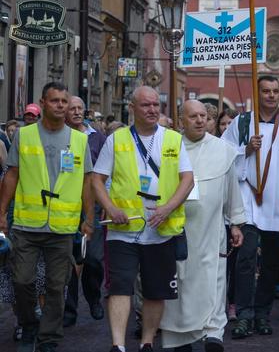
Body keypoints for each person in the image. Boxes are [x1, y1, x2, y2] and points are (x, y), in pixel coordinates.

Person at [92, 86, 194, 352]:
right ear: (132, 108)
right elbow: (97, 179)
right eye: (146, 105)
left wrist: (168, 208)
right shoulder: (116, 139)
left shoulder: (173, 139)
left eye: (155, 105)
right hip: (122, 229)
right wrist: (111, 208)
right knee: (120, 287)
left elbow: (188, 180)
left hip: (160, 228)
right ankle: (118, 345)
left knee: (155, 291)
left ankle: (147, 341)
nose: (152, 110)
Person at [0, 82, 95, 352]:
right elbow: (12, 175)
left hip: (63, 228)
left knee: (56, 286)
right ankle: (29, 324)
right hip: (27, 224)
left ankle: (49, 338)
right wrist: (1, 214)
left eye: (64, 101)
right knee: (21, 280)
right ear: (43, 103)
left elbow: (87, 181)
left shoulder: (79, 140)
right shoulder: (25, 135)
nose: (61, 106)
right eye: (55, 101)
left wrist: (89, 219)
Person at [221, 75, 279, 339]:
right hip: (248, 203)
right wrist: (245, 150)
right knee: (245, 260)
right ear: (257, 94)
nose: (271, 95)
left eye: (275, 91)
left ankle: (262, 314)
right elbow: (222, 154)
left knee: (271, 264)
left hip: (278, 205)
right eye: (266, 91)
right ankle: (244, 315)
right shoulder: (242, 123)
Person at [161, 100, 245, 352]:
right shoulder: (170, 148)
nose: (199, 120)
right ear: (181, 120)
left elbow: (232, 189)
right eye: (193, 116)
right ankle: (181, 335)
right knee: (182, 281)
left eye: (203, 116)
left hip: (212, 228)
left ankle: (213, 331)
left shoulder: (222, 149)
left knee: (214, 278)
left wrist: (236, 223)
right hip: (178, 228)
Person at [63, 96, 108, 327]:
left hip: (95, 204)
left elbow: (108, 172)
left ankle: (93, 299)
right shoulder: (60, 136)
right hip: (66, 204)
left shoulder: (98, 138)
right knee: (69, 259)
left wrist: (106, 203)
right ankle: (69, 310)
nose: (77, 112)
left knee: (93, 259)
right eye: (73, 108)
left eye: (80, 108)